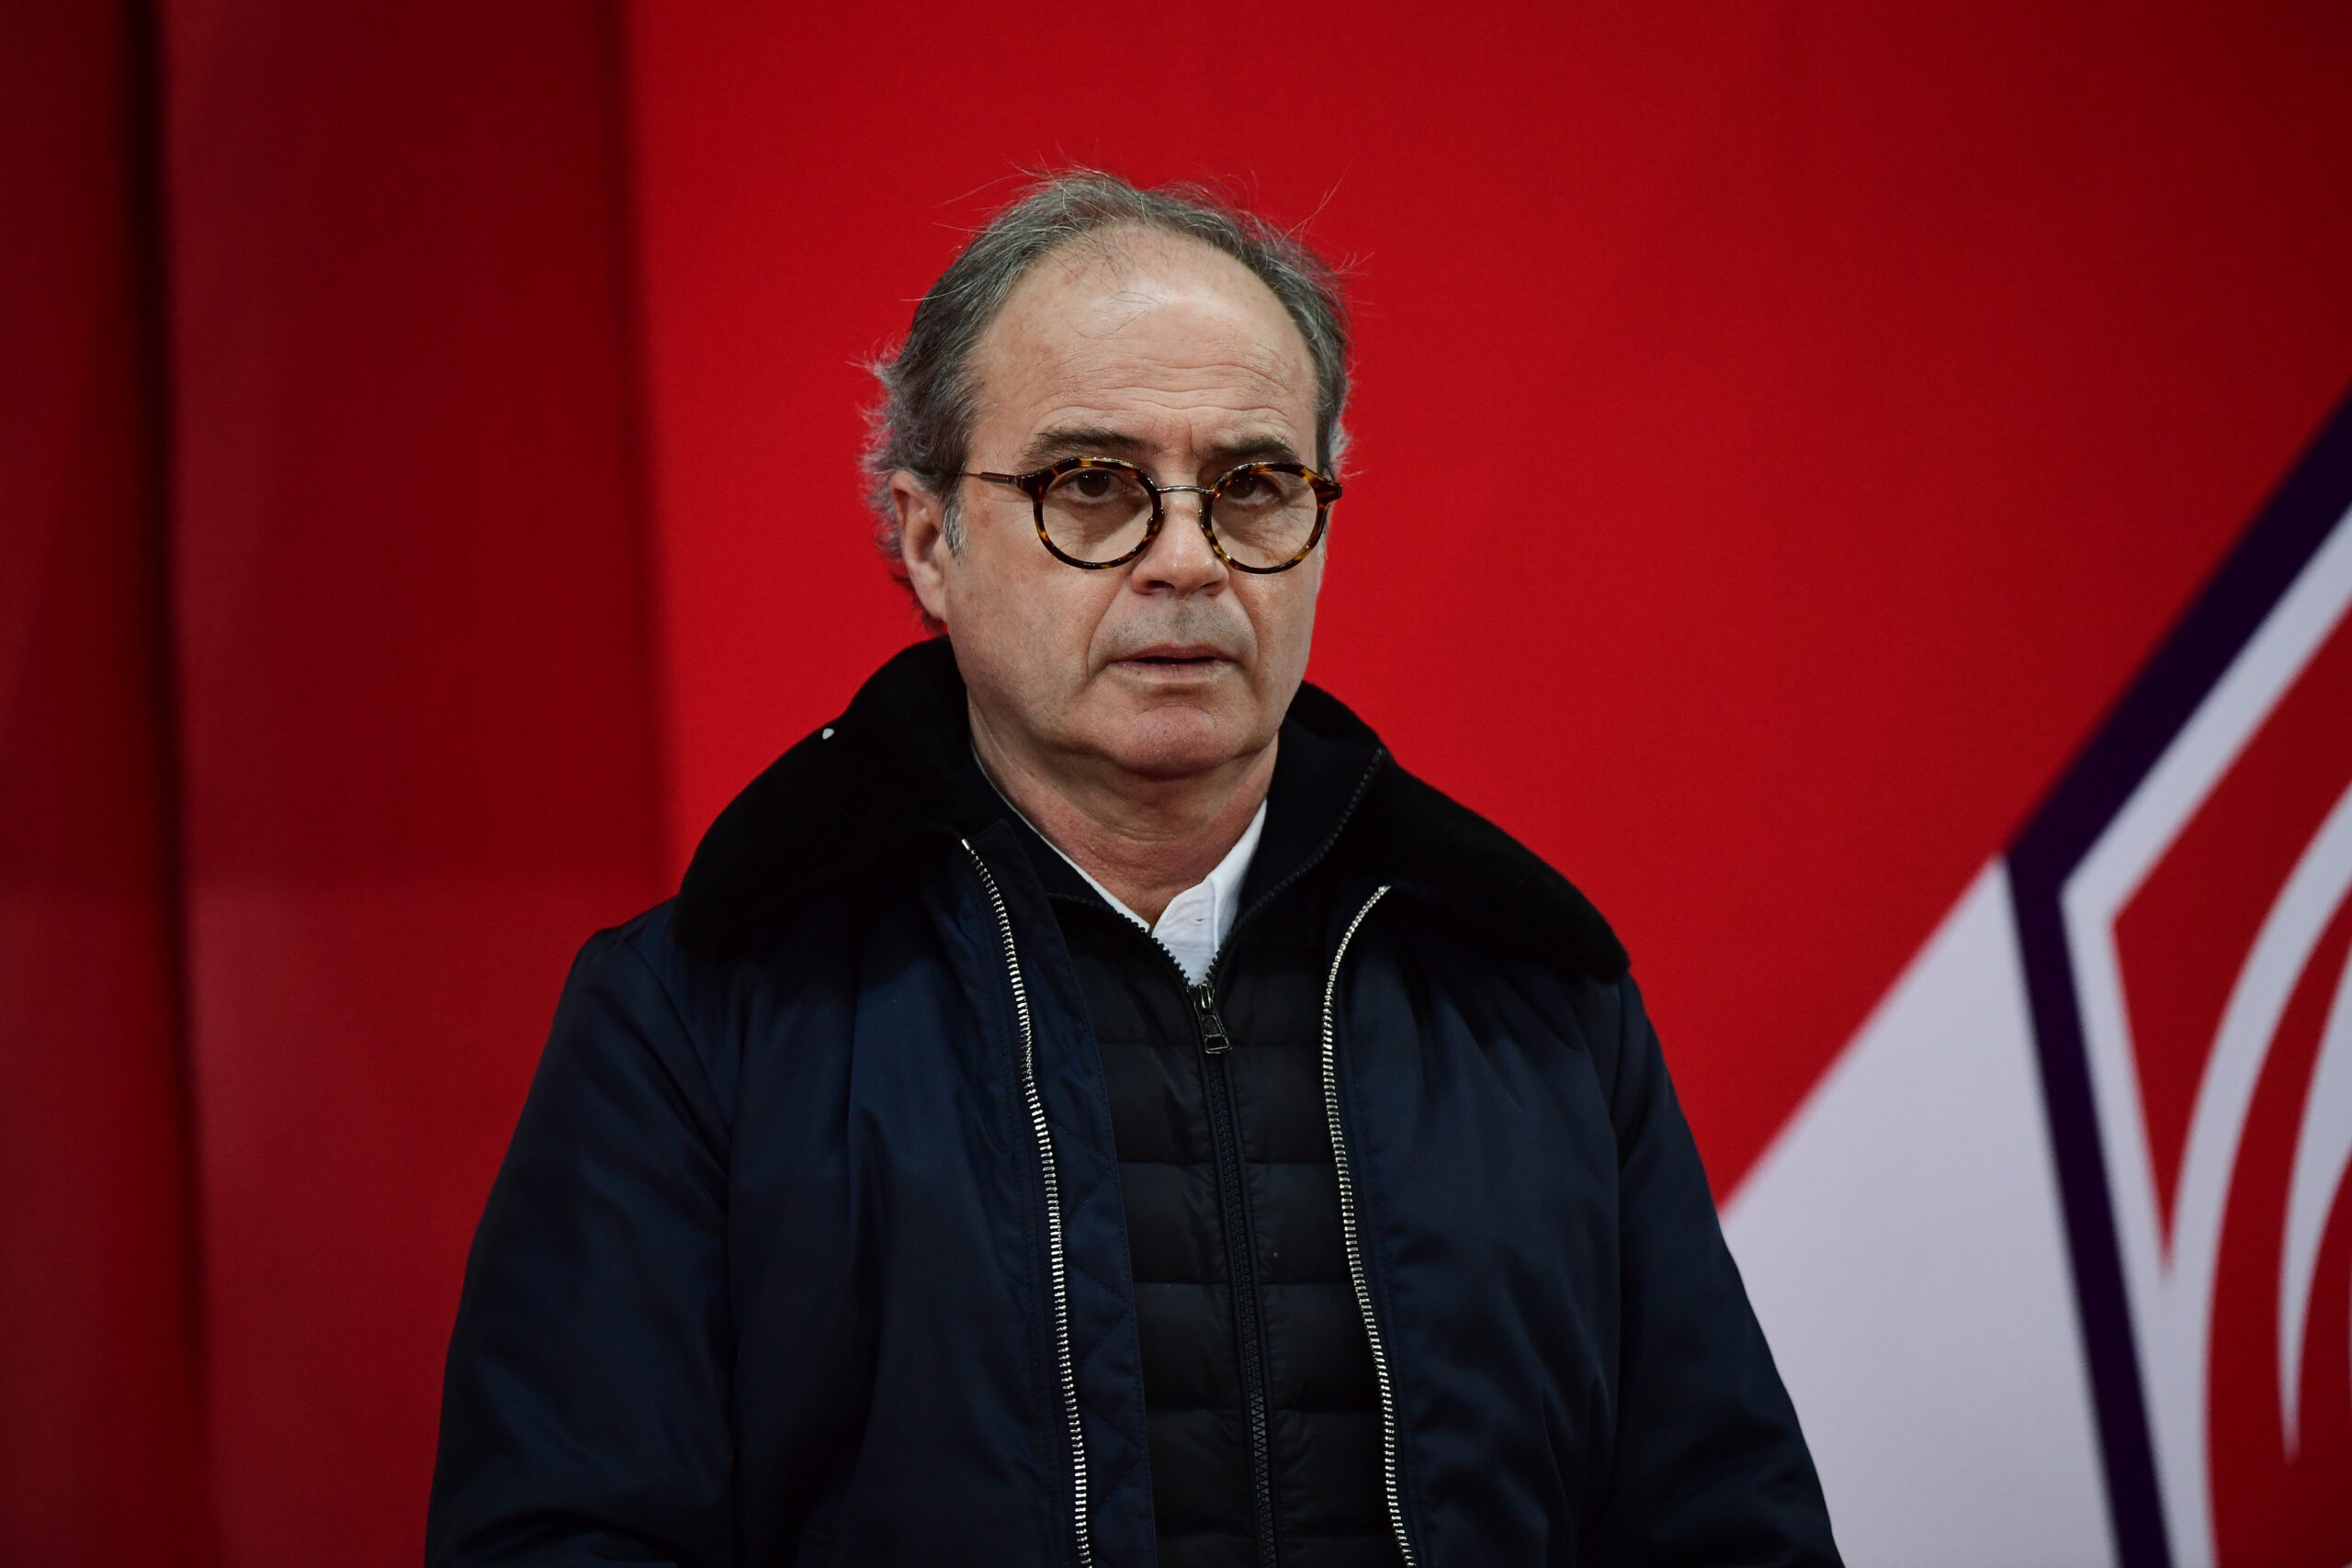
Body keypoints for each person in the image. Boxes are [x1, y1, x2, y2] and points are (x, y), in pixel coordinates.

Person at [427, 171, 1838, 1568]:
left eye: (1254, 485)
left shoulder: (1538, 1000)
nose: (1187, 560)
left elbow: (1730, 1532)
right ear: (929, 540)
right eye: (1092, 486)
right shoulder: (703, 1013)